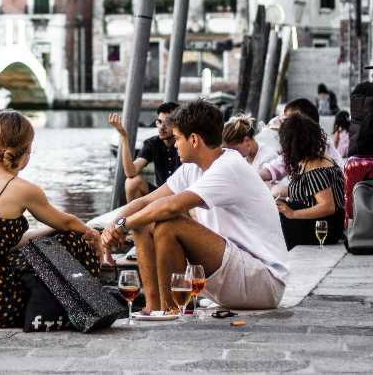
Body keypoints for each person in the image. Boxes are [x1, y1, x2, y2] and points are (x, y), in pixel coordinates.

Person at [101, 100, 288, 312]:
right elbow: (144, 201)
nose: (175, 144)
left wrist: (122, 225)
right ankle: (153, 308)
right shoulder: (192, 168)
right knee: (143, 221)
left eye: (178, 138)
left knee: (170, 224)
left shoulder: (228, 167)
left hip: (264, 282)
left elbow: (170, 207)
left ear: (194, 140)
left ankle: (170, 311)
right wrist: (113, 225)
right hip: (235, 272)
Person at [0, 111, 101, 328]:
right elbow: (69, 223)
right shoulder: (22, 189)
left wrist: (49, 231)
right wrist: (97, 242)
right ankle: (82, 307)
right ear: (27, 148)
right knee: (75, 239)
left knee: (46, 241)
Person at [274, 114, 345, 249]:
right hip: (327, 226)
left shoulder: (314, 167)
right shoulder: (319, 158)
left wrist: (292, 213)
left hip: (321, 229)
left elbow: (327, 206)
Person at [107, 102, 181, 202]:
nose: (161, 127)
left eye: (167, 123)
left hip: (183, 197)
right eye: (159, 122)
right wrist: (124, 136)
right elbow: (131, 172)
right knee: (131, 182)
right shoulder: (152, 143)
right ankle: (137, 217)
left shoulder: (185, 143)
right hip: (160, 195)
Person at [259, 98, 344, 185]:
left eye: (287, 121)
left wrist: (286, 191)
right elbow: (275, 168)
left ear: (304, 125)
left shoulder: (318, 152)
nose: (284, 126)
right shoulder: (298, 147)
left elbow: (319, 189)